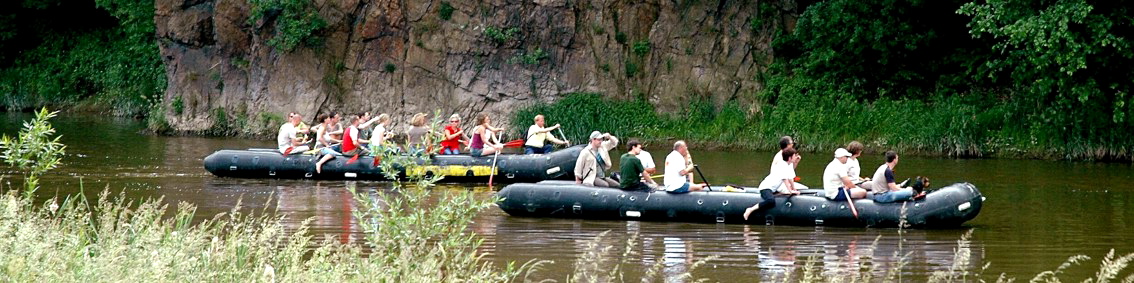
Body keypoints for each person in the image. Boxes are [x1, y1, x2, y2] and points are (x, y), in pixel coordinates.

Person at [743, 147, 802, 220]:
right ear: (790, 158)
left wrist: (794, 189)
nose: (795, 157)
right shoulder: (782, 165)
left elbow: (790, 179)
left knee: (788, 193)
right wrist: (790, 190)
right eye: (794, 156)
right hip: (765, 188)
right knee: (771, 201)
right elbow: (785, 180)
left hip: (773, 189)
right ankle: (750, 209)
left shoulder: (788, 165)